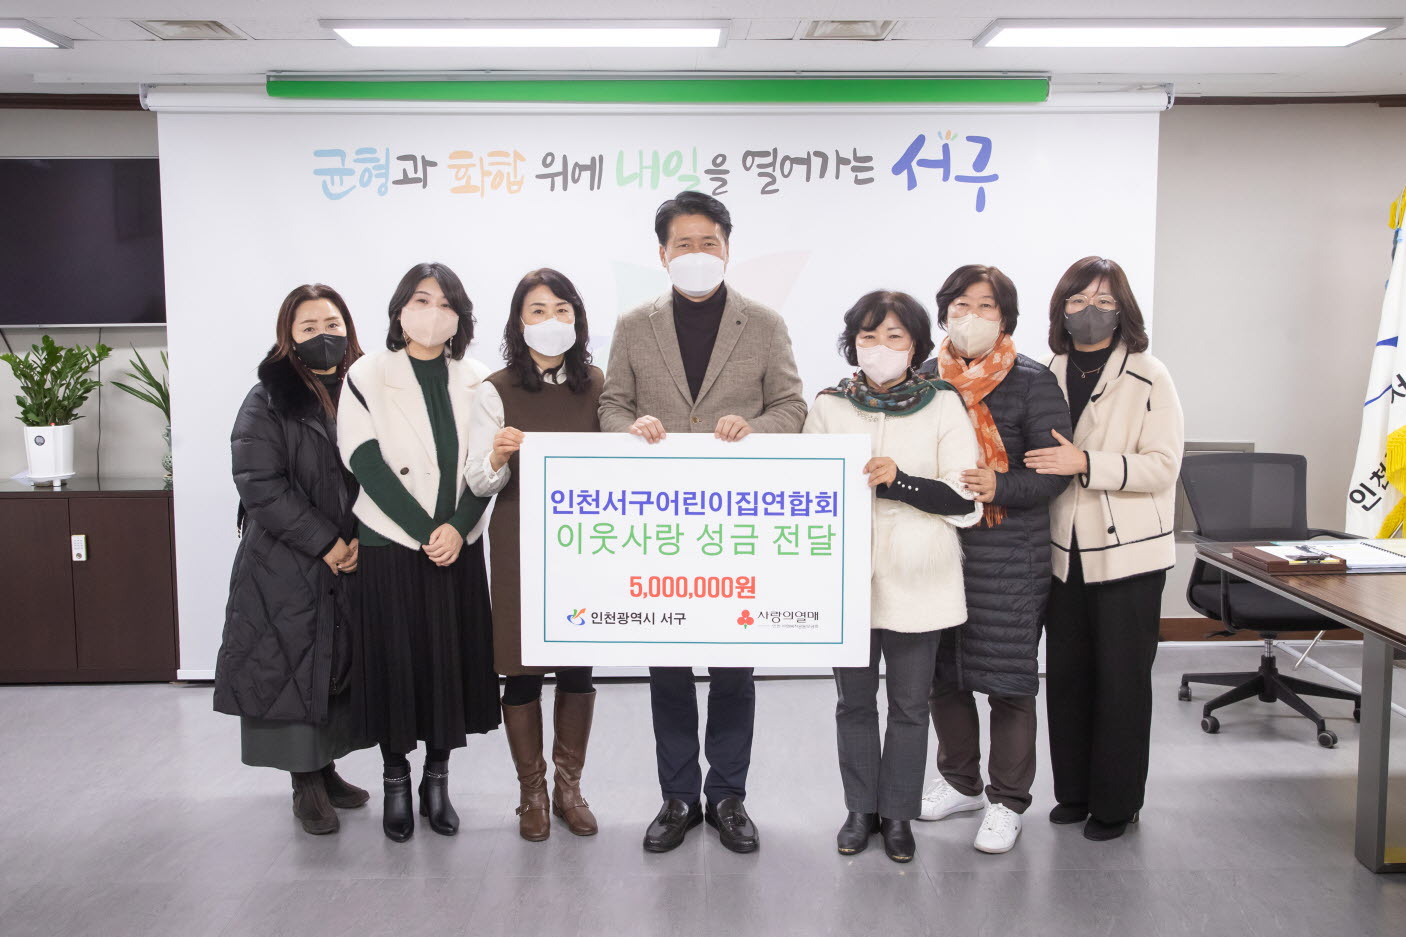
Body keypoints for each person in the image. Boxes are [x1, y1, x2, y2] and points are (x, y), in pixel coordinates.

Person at [599, 190, 807, 854]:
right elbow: (611, 404)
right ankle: (678, 796)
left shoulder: (764, 324)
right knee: (666, 666)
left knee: (733, 667)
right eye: (682, 244)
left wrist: (756, 428)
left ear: (727, 249)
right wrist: (631, 427)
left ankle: (729, 796)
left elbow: (792, 407)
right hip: (661, 523)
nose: (696, 253)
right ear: (663, 254)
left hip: (733, 523)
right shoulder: (635, 325)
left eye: (707, 242)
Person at [804, 290, 982, 863]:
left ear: (916, 345)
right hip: (846, 577)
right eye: (868, 337)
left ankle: (898, 814)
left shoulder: (942, 403)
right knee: (853, 704)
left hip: (919, 576)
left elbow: (965, 499)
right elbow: (806, 489)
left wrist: (900, 481)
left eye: (894, 337)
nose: (879, 347)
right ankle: (860, 809)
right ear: (851, 343)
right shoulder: (829, 405)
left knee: (910, 705)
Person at [338, 261, 500, 843]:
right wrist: (427, 531)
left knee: (445, 667)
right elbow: (363, 459)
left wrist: (457, 528)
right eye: (422, 300)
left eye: (446, 303)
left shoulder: (478, 378)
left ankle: (437, 780)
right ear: (400, 309)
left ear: (461, 317)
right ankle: (394, 782)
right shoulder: (366, 373)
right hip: (390, 543)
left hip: (457, 546)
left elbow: (488, 465)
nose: (434, 313)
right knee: (395, 665)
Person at [914, 265, 1072, 855]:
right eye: (961, 304)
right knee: (944, 674)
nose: (972, 316)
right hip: (938, 547)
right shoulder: (924, 377)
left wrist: (998, 485)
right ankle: (960, 783)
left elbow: (1052, 475)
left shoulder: (1032, 380)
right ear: (944, 313)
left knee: (1008, 681)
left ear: (1005, 317)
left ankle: (1008, 801)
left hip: (1009, 553)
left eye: (986, 305)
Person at [1026, 256, 1184, 842]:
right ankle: (1074, 793)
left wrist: (1086, 462)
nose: (1088, 310)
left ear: (1122, 309)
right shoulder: (1045, 371)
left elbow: (1164, 466)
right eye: (1077, 299)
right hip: (1061, 550)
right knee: (1067, 677)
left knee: (1121, 681)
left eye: (1103, 300)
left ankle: (1117, 805)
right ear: (1060, 308)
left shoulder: (1149, 375)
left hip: (1129, 553)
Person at [214, 283, 370, 835]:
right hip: (285, 562)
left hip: (351, 556)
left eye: (333, 324)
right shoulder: (267, 398)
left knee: (331, 667)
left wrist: (360, 539)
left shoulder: (365, 390)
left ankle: (325, 768)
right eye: (309, 328)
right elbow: (259, 482)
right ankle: (304, 782)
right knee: (291, 664)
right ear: (289, 337)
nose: (323, 336)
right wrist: (325, 543)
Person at [467, 268, 604, 842]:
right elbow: (477, 482)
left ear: (578, 320)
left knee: (577, 668)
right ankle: (532, 794)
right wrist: (498, 456)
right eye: (539, 310)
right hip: (521, 542)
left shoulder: (598, 384)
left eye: (562, 310)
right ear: (518, 323)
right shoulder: (494, 389)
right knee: (521, 671)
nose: (552, 320)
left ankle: (569, 789)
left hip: (585, 546)